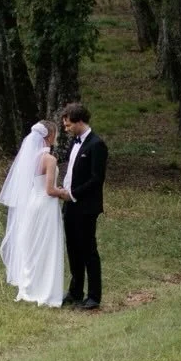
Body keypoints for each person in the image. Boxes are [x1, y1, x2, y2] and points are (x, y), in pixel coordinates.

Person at [0, 119, 69, 308]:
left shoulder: (31, 158)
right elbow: (50, 190)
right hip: (45, 206)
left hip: (31, 204)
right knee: (47, 247)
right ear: (50, 136)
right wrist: (65, 193)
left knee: (33, 246)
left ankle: (30, 287)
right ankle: (45, 290)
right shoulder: (50, 159)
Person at [60, 102, 107, 310]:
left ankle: (94, 295)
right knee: (73, 248)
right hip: (70, 205)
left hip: (86, 206)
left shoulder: (96, 144)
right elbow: (71, 170)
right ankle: (75, 290)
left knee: (88, 249)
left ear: (79, 122)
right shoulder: (74, 142)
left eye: (68, 124)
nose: (66, 128)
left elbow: (97, 179)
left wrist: (73, 194)